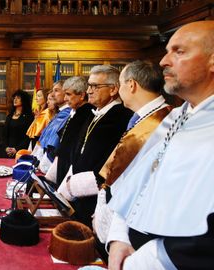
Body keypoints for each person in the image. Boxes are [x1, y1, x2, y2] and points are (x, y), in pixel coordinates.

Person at [107, 21, 214, 270]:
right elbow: (141, 180)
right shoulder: (176, 116)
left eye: (179, 51)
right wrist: (120, 235)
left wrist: (145, 260)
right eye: (166, 52)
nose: (164, 61)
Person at [84, 60, 171, 262]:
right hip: (118, 219)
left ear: (131, 85)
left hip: (136, 231)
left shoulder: (163, 122)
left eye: (121, 83)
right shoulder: (142, 117)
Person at [56, 65, 132, 228]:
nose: (89, 90)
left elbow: (112, 164)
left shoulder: (120, 117)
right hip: (79, 191)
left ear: (113, 90)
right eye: (89, 85)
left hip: (96, 195)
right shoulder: (97, 112)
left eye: (95, 86)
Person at [46, 76, 95, 184]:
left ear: (82, 95)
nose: (65, 99)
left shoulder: (87, 115)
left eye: (68, 94)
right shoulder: (76, 112)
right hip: (63, 168)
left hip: (72, 175)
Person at [33, 81, 71, 170]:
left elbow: (54, 144)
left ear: (66, 92)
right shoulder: (60, 113)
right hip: (42, 163)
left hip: (50, 166)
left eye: (56, 91)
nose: (53, 94)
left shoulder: (67, 114)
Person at [4, 90, 33, 158]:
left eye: (18, 98)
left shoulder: (29, 117)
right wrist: (6, 147)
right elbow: (4, 134)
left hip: (21, 151)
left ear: (24, 100)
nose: (15, 99)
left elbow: (28, 137)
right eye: (14, 98)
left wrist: (16, 149)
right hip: (7, 151)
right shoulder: (9, 116)